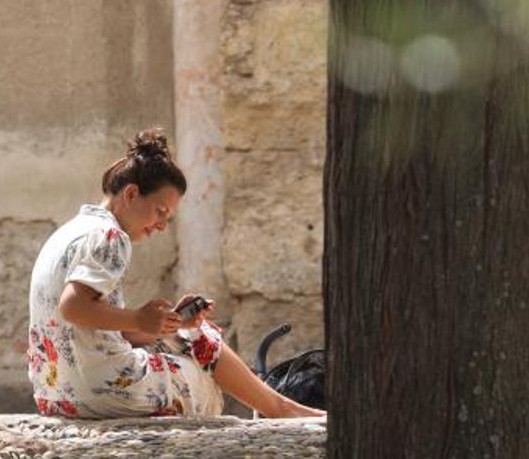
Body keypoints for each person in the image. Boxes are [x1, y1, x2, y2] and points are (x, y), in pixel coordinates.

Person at [26, 128, 326, 419]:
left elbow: (93, 324)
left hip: (56, 394)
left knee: (186, 331)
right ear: (131, 194)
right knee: (205, 369)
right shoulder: (110, 237)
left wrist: (165, 323)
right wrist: (138, 318)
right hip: (101, 389)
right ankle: (280, 409)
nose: (161, 225)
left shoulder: (69, 232)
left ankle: (279, 407)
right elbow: (73, 307)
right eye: (160, 211)